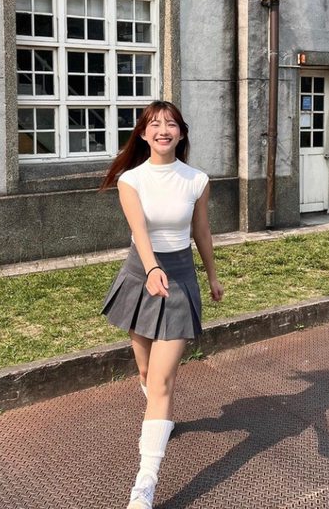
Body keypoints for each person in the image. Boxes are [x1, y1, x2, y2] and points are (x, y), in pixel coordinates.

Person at [100, 100, 224, 509]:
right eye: (154, 124)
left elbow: (201, 231)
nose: (163, 130)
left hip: (180, 280)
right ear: (143, 133)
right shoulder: (131, 180)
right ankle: (160, 416)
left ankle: (145, 483)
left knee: (161, 381)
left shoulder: (196, 180)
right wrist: (152, 269)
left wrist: (211, 275)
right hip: (141, 276)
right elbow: (139, 230)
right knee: (145, 371)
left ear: (182, 133)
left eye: (171, 124)